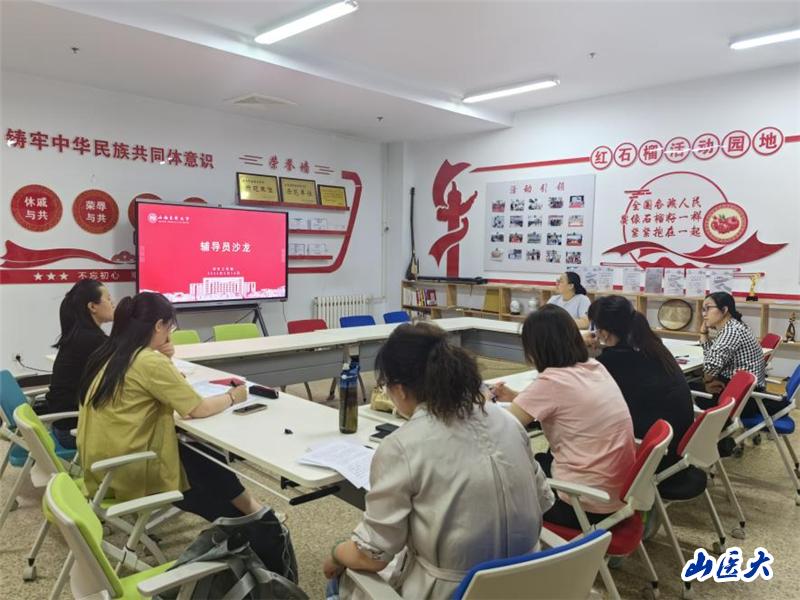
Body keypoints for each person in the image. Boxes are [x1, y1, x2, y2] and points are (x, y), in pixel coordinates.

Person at [323, 322, 554, 599]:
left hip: (457, 590)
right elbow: (542, 500)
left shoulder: (402, 446)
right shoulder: (507, 421)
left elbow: (372, 555)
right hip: (531, 582)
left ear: (400, 390)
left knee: (338, 582)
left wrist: (336, 554)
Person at [77, 292, 262, 521]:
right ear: (158, 325)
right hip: (127, 468)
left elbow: (161, 387)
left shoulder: (110, 352)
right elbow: (198, 409)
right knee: (205, 460)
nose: (169, 334)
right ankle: (252, 517)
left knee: (199, 455)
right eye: (169, 327)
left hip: (99, 465)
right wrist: (233, 396)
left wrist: (165, 359)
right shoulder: (148, 360)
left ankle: (252, 512)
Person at [493, 304, 635, 529]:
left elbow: (498, 429)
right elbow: (564, 407)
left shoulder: (551, 381)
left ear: (535, 348)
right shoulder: (594, 367)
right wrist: (515, 397)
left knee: (500, 480)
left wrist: (481, 401)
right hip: (619, 492)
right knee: (540, 459)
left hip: (582, 505)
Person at [587, 295, 693, 470]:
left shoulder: (612, 362)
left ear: (603, 332)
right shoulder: (653, 346)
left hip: (654, 454)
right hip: (677, 444)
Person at [44, 280, 115, 449]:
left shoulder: (81, 334)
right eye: (108, 298)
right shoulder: (92, 340)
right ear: (92, 306)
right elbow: (131, 367)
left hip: (63, 423)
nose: (113, 303)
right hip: (74, 429)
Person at [700, 292, 770, 418]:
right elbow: (712, 355)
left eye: (708, 308)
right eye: (703, 309)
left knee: (683, 389)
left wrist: (708, 382)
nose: (704, 314)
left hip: (741, 399)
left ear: (724, 310)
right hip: (745, 392)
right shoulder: (734, 326)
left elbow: (711, 365)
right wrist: (703, 333)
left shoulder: (731, 331)